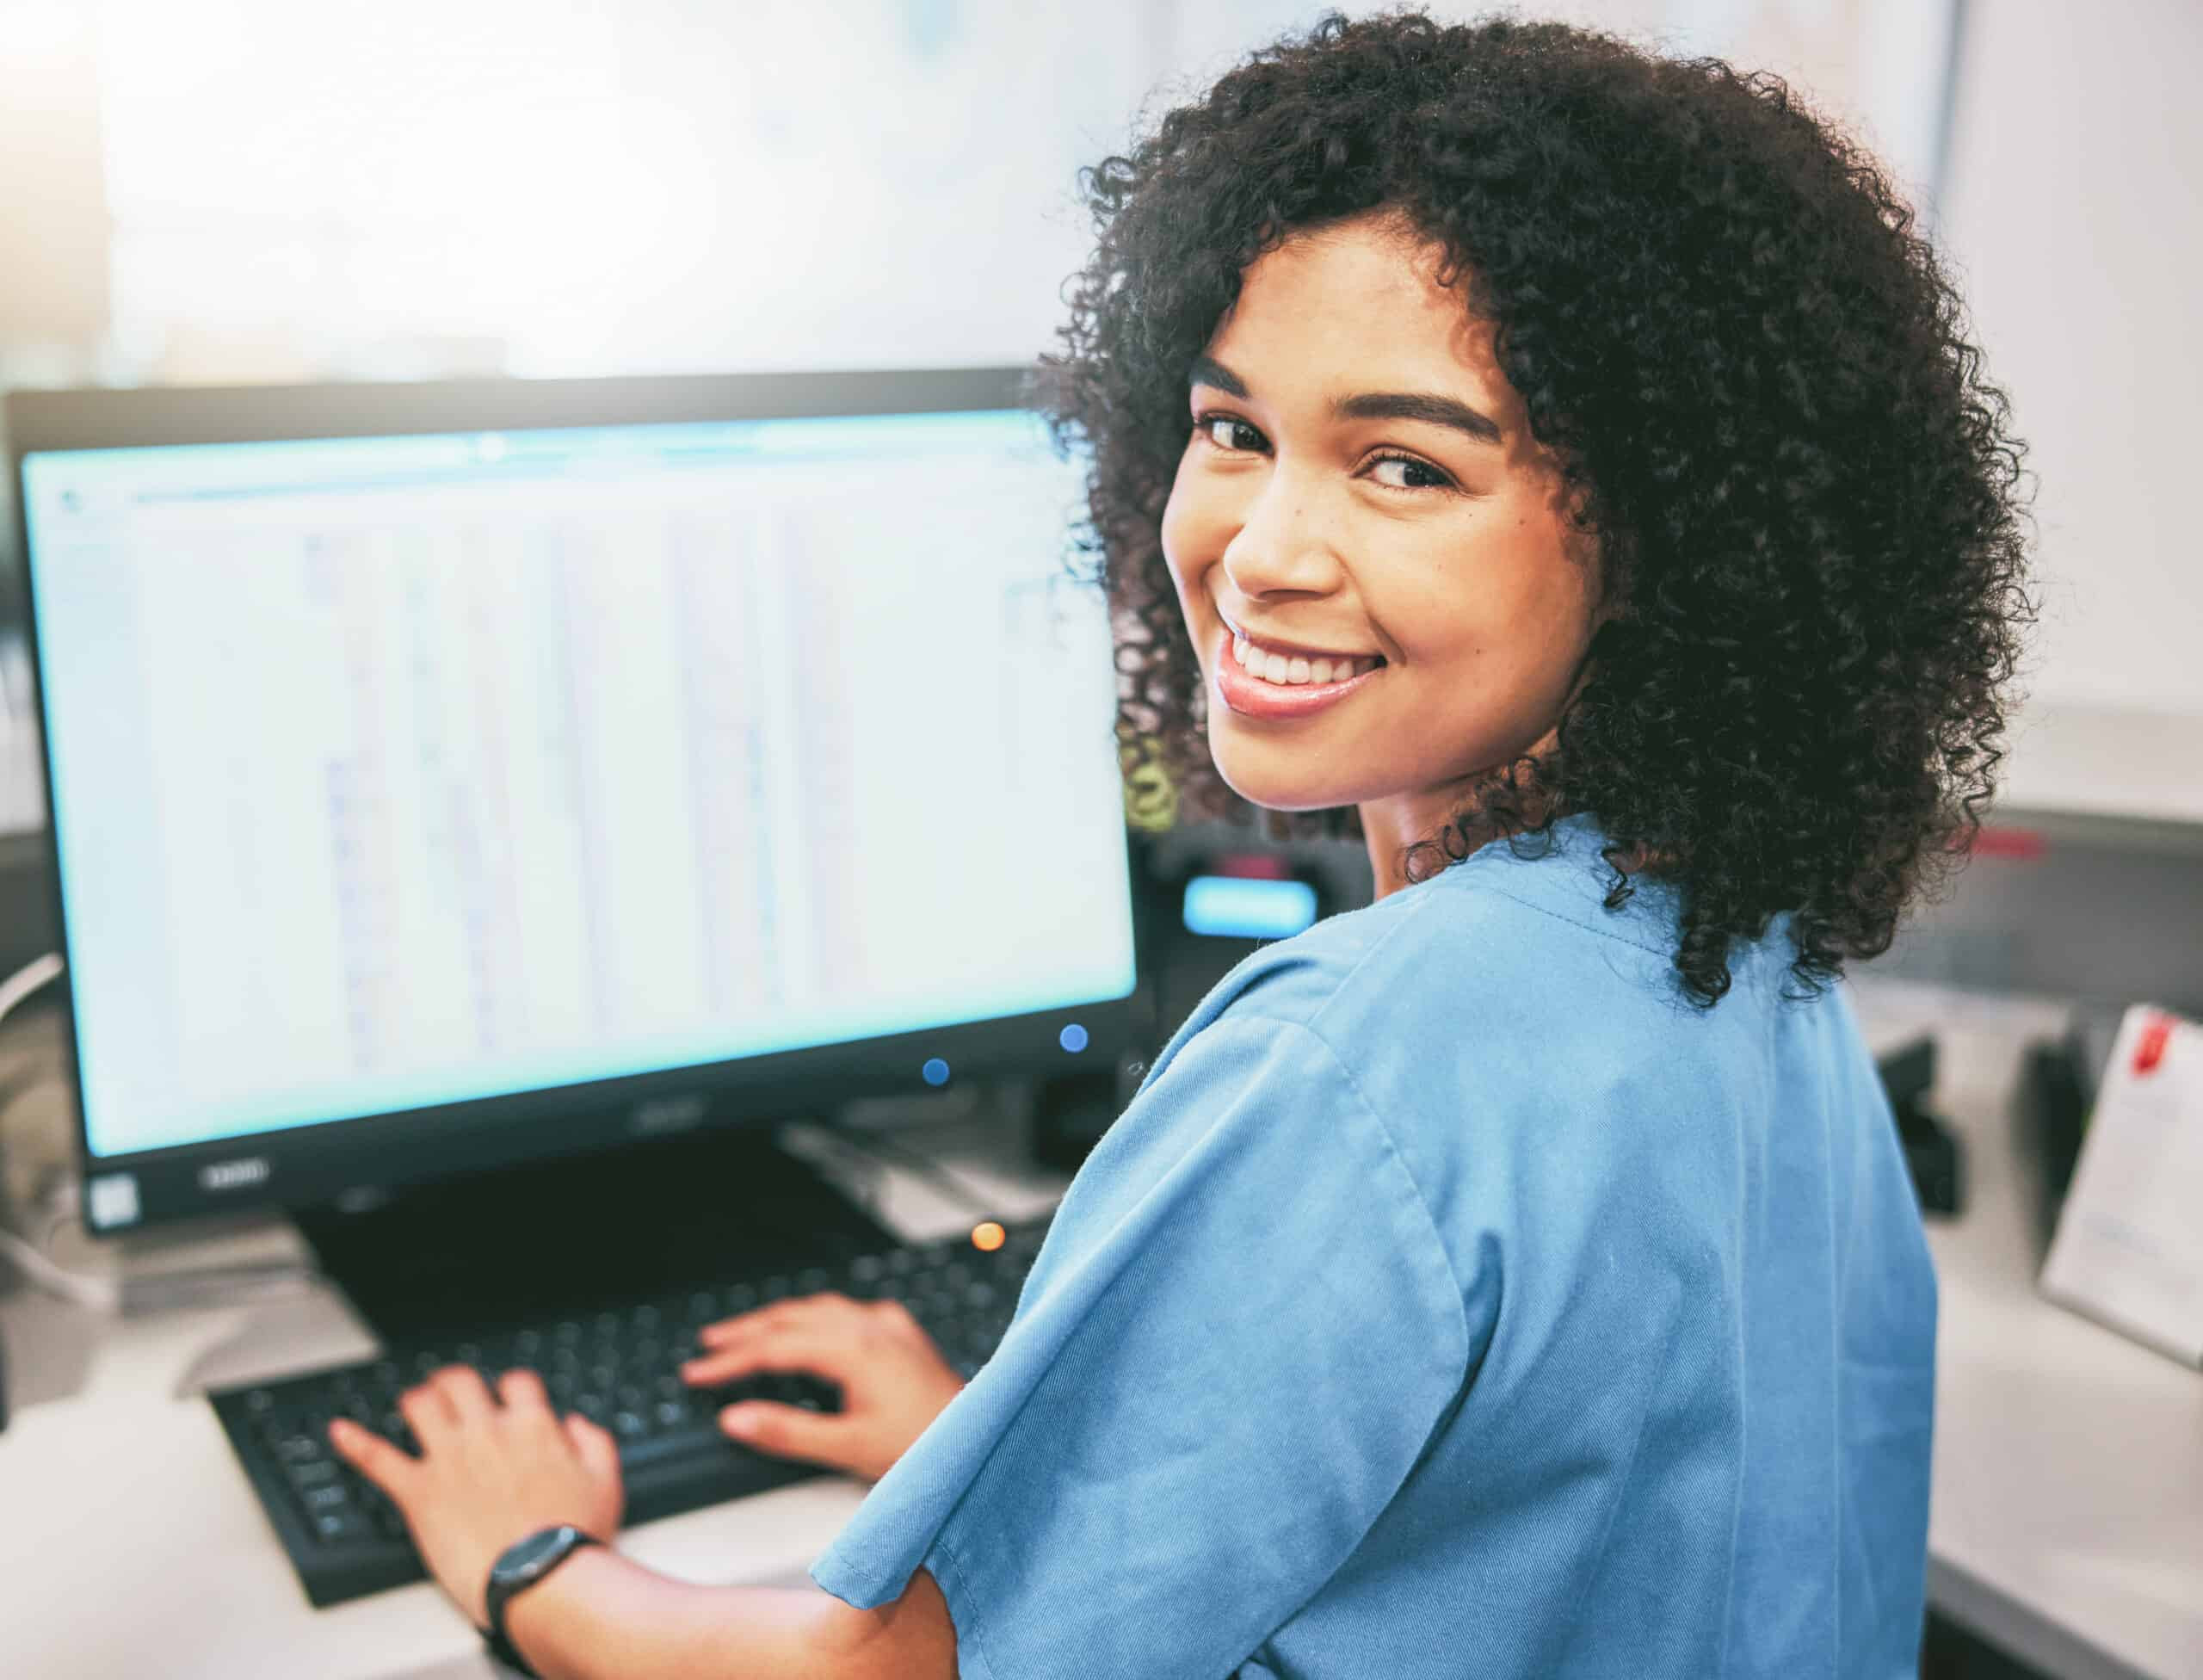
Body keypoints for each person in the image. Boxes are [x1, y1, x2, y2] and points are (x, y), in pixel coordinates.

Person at [328, 12, 2032, 1677]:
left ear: (1673, 535)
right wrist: (1026, 1454)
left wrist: (532, 1559)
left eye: (1399, 465)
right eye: (1231, 431)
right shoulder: (1749, 956)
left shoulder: (1350, 1062)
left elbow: (875, 1677)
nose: (1258, 550)